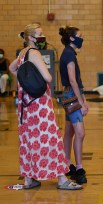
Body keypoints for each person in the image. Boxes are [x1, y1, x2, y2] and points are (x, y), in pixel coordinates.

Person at [9, 23, 82, 190]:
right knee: (51, 139)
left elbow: (13, 68)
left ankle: (28, 179)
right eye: (40, 34)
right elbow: (48, 78)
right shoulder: (34, 53)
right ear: (30, 38)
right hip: (40, 105)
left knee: (29, 140)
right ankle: (62, 179)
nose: (43, 37)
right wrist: (36, 78)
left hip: (25, 105)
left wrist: (25, 80)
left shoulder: (22, 52)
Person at [59, 26, 88, 184]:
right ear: (71, 38)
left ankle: (66, 164)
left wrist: (84, 98)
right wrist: (81, 102)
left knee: (69, 132)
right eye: (79, 36)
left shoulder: (69, 53)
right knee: (80, 133)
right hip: (71, 96)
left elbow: (78, 81)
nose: (81, 39)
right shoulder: (69, 54)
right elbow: (72, 81)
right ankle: (78, 168)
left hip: (70, 94)